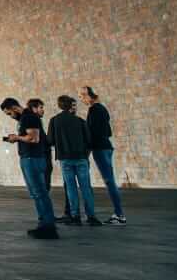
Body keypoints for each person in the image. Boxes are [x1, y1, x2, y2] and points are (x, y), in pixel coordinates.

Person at [0, 97, 57, 239]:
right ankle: (44, 224)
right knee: (36, 194)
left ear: (14, 108)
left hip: (33, 159)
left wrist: (17, 138)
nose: (10, 116)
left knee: (39, 193)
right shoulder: (24, 119)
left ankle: (48, 227)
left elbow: (33, 138)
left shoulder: (28, 117)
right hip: (30, 158)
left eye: (9, 113)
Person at [49, 95, 102, 226]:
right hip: (81, 158)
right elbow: (89, 141)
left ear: (60, 106)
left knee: (71, 188)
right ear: (70, 106)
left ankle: (75, 216)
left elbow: (50, 140)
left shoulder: (54, 121)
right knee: (86, 188)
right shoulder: (80, 121)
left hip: (65, 159)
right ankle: (91, 217)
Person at [80, 85, 126, 225]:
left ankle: (119, 215)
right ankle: (119, 214)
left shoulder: (94, 110)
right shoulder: (102, 109)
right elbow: (108, 132)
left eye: (83, 96)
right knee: (110, 180)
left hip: (100, 149)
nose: (81, 99)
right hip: (106, 147)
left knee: (109, 181)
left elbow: (92, 133)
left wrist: (87, 150)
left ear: (90, 96)